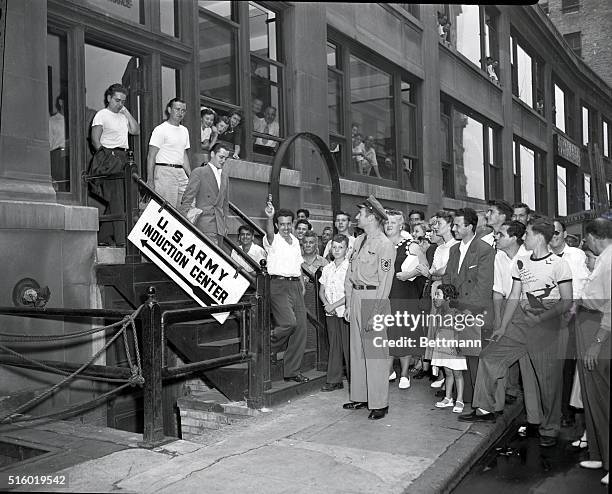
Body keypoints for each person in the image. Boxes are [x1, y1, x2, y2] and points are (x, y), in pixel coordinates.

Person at [460, 219, 572, 450]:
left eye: (528, 234)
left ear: (540, 237)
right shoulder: (520, 262)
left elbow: (567, 300)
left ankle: (549, 428)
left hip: (547, 324)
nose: (524, 238)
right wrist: (502, 327)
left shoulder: (559, 264)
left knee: (548, 382)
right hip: (520, 322)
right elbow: (513, 295)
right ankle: (484, 407)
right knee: (490, 357)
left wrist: (541, 318)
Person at [343, 195, 396, 420]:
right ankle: (361, 397)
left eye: (361, 214)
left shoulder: (384, 245)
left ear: (372, 217)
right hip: (356, 296)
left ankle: (379, 403)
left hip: (373, 297)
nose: (357, 217)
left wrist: (378, 306)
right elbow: (350, 272)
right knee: (357, 351)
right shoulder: (359, 240)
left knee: (374, 353)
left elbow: (386, 278)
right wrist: (348, 302)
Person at [443, 208, 495, 404]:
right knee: (459, 356)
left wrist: (463, 308)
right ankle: (465, 398)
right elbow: (448, 277)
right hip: (455, 310)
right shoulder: (454, 249)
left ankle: (479, 403)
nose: (454, 228)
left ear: (469, 227)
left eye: (457, 225)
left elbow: (483, 286)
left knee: (474, 359)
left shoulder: (484, 250)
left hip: (473, 312)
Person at [575, 218, 611, 486]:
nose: (585, 243)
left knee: (603, 398)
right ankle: (599, 453)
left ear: (594, 236)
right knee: (593, 397)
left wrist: (598, 341)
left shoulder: (609, 262)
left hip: (599, 330)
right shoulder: (603, 260)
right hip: (589, 323)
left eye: (586, 239)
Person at [549, 218, 590, 428]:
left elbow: (582, 285)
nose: (553, 236)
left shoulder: (576, 255)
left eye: (557, 232)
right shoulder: (540, 255)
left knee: (566, 364)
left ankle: (566, 412)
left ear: (564, 234)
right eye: (550, 232)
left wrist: (573, 309)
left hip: (570, 315)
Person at [263, 200, 309, 383]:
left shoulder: (296, 242)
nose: (285, 227)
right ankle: (268, 347)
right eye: (281, 224)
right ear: (276, 225)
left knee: (301, 329)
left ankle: (292, 371)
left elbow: (298, 265)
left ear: (292, 223)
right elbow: (268, 232)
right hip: (278, 286)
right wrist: (268, 216)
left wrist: (301, 284)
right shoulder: (272, 239)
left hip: (295, 285)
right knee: (288, 323)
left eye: (289, 223)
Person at [89, 83, 140, 247]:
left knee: (124, 197)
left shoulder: (123, 115)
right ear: (109, 98)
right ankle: (121, 239)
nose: (120, 104)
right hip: (109, 155)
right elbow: (95, 140)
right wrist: (106, 156)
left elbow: (135, 130)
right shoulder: (101, 115)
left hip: (124, 155)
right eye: (117, 100)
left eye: (123, 101)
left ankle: (103, 237)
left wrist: (126, 112)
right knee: (117, 197)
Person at [385, 210, 427, 390]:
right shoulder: (381, 244)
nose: (388, 226)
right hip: (386, 295)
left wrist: (409, 274)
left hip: (404, 294)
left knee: (403, 335)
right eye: (386, 222)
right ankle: (388, 372)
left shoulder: (411, 245)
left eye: (392, 223)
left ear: (401, 226)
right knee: (386, 335)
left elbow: (425, 267)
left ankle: (404, 374)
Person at [415, 210, 458, 381]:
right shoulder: (439, 248)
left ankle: (450, 379)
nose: (435, 227)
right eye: (434, 224)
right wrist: (433, 274)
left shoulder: (456, 246)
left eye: (439, 223)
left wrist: (433, 274)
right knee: (435, 333)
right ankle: (441, 376)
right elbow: (434, 271)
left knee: (447, 332)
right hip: (436, 291)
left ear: (449, 225)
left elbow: (444, 270)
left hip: (447, 293)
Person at [179, 143, 230, 247]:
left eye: (226, 158)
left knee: (217, 259)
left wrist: (225, 225)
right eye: (221, 157)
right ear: (212, 154)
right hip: (204, 224)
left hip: (219, 227)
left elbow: (225, 204)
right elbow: (187, 198)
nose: (223, 161)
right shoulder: (199, 172)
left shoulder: (224, 177)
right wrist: (183, 221)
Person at [319, 234, 351, 392]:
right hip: (330, 312)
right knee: (334, 346)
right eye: (334, 247)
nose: (337, 250)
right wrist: (327, 304)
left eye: (341, 247)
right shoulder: (327, 268)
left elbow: (350, 292)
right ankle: (334, 379)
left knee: (348, 346)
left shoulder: (350, 267)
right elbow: (321, 290)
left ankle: (354, 380)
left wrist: (334, 305)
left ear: (347, 249)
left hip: (345, 312)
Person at [146, 98, 191, 209]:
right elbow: (151, 156)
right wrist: (150, 180)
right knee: (167, 208)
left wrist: (191, 176)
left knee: (187, 206)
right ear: (169, 110)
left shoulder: (184, 130)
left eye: (183, 110)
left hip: (181, 172)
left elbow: (183, 154)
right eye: (177, 109)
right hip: (164, 171)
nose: (180, 113)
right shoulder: (160, 129)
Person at [431, 284, 466, 414]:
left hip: (453, 347)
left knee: (457, 373)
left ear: (447, 297)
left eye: (438, 295)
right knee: (448, 373)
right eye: (435, 295)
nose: (435, 298)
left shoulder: (455, 311)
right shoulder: (440, 311)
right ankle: (448, 398)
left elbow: (459, 329)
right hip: (443, 346)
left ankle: (460, 400)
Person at [49, 94, 69, 192]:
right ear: (61, 102)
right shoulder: (52, 121)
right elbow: (49, 145)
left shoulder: (73, 121)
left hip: (70, 157)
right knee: (60, 188)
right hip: (58, 157)